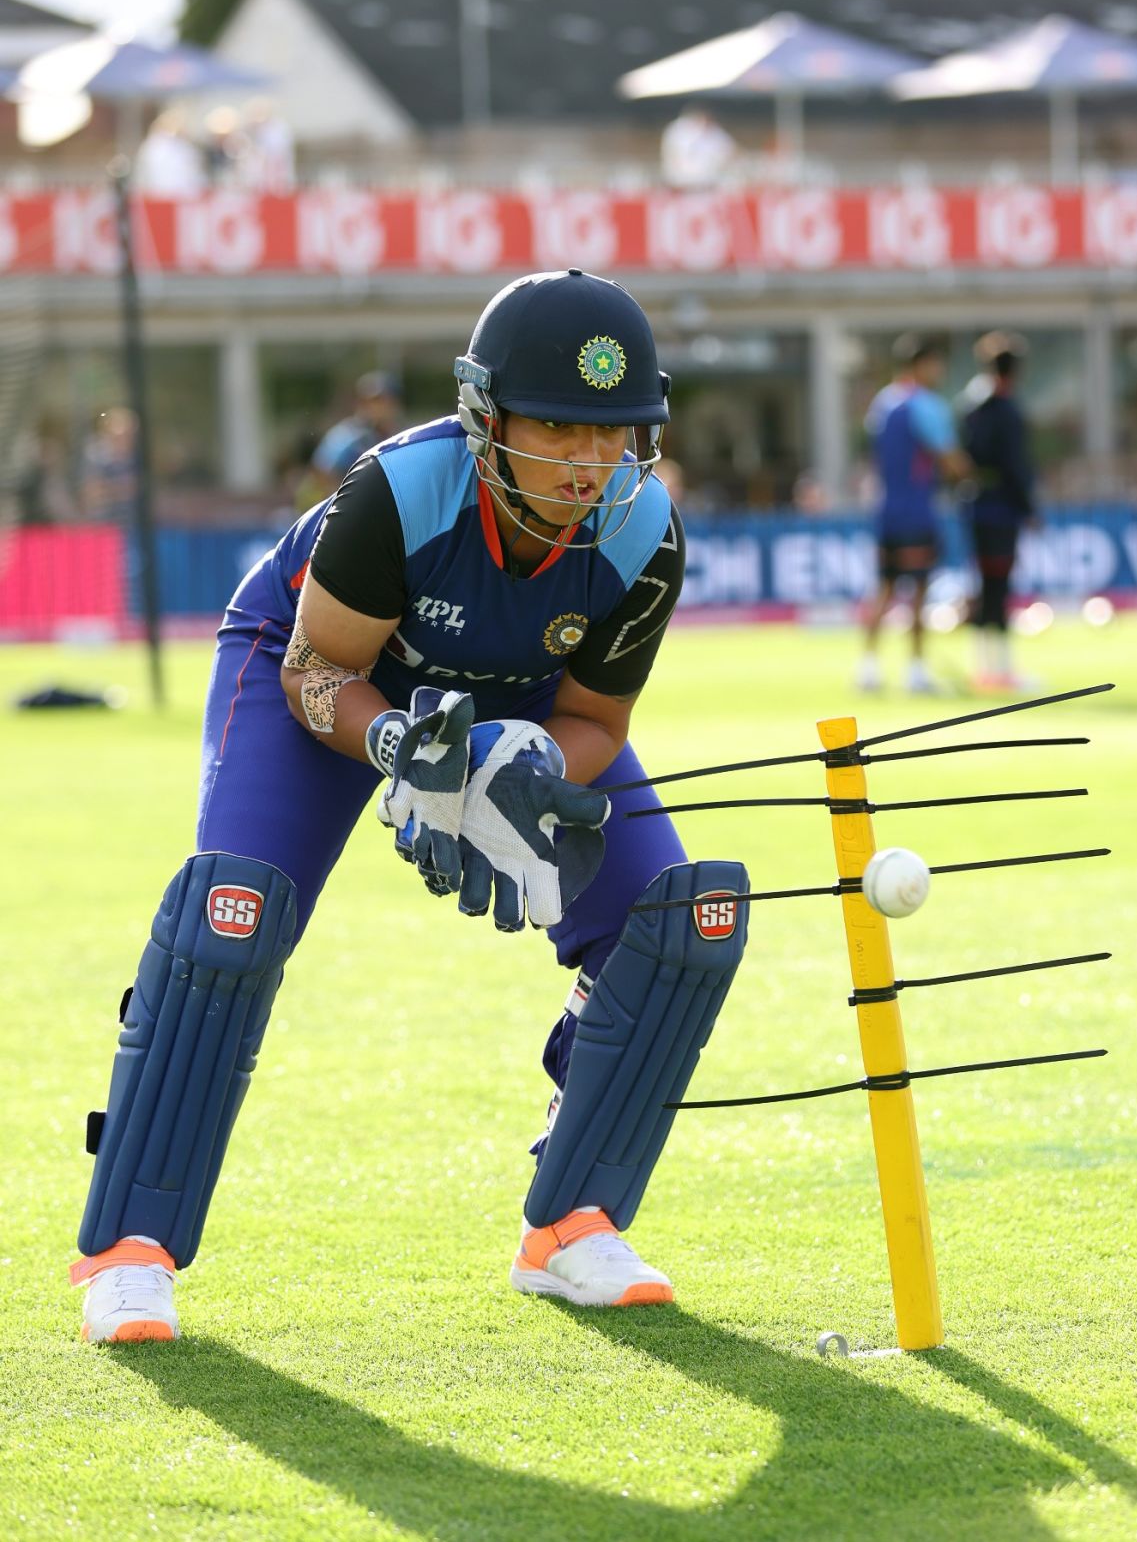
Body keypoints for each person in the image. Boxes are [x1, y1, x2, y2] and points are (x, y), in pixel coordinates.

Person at [69, 269, 750, 1343]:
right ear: (488, 418)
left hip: (510, 706)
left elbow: (596, 725)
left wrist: (515, 766)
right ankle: (129, 1250)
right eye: (561, 428)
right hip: (324, 681)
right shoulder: (401, 489)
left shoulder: (643, 534)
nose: (589, 462)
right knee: (229, 917)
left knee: (680, 922)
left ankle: (571, 1224)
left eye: (614, 434)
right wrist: (401, 747)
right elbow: (315, 671)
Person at [857, 334, 969, 694]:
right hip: (918, 510)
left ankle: (869, 668)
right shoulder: (926, 406)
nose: (938, 371)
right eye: (935, 364)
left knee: (885, 589)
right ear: (920, 364)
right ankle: (916, 670)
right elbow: (950, 459)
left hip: (886, 508)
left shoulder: (882, 403)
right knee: (919, 591)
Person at [958, 332, 1039, 691]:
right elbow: (1016, 465)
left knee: (984, 585)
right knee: (1000, 587)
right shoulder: (1007, 410)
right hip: (1002, 510)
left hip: (975, 505)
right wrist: (1029, 508)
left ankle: (983, 668)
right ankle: (1002, 670)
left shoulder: (970, 406)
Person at [299, 370, 405, 509]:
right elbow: (321, 475)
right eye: (373, 401)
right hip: (349, 511)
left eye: (385, 400)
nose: (379, 407)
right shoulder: (346, 435)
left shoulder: (400, 435)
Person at [660, 106, 737, 189]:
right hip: (681, 183)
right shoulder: (678, 129)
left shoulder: (714, 132)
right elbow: (673, 154)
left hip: (708, 183)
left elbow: (733, 151)